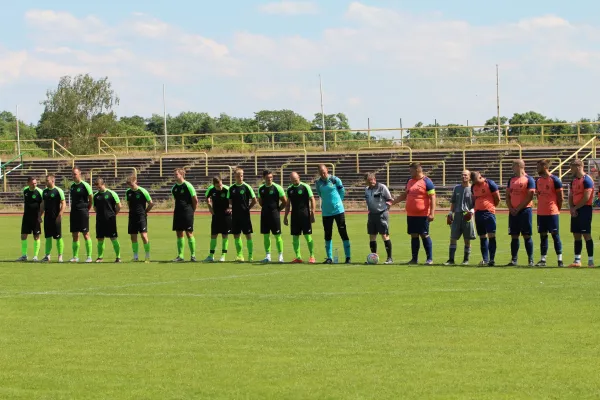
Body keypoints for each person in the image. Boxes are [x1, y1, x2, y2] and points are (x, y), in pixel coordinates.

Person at [391, 163, 436, 265]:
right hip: (411, 214)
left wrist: (432, 213)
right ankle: (414, 259)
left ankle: (429, 259)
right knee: (413, 235)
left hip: (423, 214)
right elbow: (405, 194)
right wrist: (394, 202)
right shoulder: (410, 181)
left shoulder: (427, 181)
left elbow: (432, 197)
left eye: (411, 171)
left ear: (417, 170)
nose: (409, 173)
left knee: (424, 234)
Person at [315, 164, 351, 264]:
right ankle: (329, 257)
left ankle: (348, 257)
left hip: (338, 211)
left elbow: (342, 192)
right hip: (326, 212)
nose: (323, 174)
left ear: (327, 170)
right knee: (327, 234)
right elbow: (320, 194)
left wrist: (338, 202)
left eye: (324, 171)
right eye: (320, 172)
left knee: (343, 232)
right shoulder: (318, 183)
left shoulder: (335, 180)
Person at [506, 160, 536, 266]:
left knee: (526, 235)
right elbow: (507, 196)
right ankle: (514, 259)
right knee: (514, 235)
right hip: (513, 212)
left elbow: (529, 196)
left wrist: (518, 208)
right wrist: (510, 208)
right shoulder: (511, 180)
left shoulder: (529, 179)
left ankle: (530, 259)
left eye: (513, 166)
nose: (512, 168)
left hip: (524, 211)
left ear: (519, 166)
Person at [535, 159, 564, 267]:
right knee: (543, 236)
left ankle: (560, 260)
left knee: (555, 235)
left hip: (552, 213)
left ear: (545, 167)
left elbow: (560, 198)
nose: (537, 169)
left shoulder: (555, 180)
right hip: (541, 213)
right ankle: (543, 260)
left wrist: (556, 209)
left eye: (538, 167)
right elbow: (538, 195)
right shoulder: (538, 181)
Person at [284, 172, 316, 264]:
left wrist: (312, 212)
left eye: (296, 179)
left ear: (299, 177)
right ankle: (298, 257)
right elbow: (287, 204)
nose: (295, 181)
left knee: (307, 236)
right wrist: (285, 216)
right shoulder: (289, 189)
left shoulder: (305, 187)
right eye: (293, 180)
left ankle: (312, 256)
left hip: (305, 215)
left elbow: (312, 199)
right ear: (290, 180)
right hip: (294, 216)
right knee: (295, 237)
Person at [444, 170, 475, 266]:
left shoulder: (473, 189)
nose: (463, 176)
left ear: (470, 177)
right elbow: (453, 201)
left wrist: (472, 211)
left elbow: (476, 202)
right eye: (462, 174)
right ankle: (451, 260)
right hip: (457, 215)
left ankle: (466, 260)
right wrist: (450, 213)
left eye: (465, 175)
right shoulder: (457, 188)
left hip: (467, 215)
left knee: (467, 239)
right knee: (453, 237)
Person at [471, 171, 501, 266]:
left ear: (480, 176)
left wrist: (491, 207)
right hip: (478, 213)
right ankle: (485, 259)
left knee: (491, 235)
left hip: (489, 213)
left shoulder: (490, 183)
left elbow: (497, 198)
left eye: (477, 181)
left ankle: (492, 259)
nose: (476, 183)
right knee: (482, 236)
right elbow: (474, 199)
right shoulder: (473, 187)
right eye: (474, 182)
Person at [568, 159, 594, 268]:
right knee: (576, 234)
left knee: (586, 234)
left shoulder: (587, 180)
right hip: (576, 210)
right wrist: (571, 208)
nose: (571, 170)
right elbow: (571, 195)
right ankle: (577, 260)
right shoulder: (573, 181)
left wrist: (576, 208)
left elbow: (586, 197)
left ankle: (590, 261)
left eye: (572, 167)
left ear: (578, 167)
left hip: (585, 210)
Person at [227, 168, 257, 262]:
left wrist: (248, 208)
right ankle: (240, 255)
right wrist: (233, 207)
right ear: (235, 176)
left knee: (248, 235)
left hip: (245, 216)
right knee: (236, 235)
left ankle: (250, 256)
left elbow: (254, 199)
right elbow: (229, 200)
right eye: (238, 176)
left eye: (241, 175)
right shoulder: (232, 188)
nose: (240, 177)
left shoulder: (247, 187)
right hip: (235, 216)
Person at [258, 170, 287, 263]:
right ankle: (268, 256)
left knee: (277, 236)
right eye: (267, 178)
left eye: (271, 177)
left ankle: (280, 256)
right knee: (266, 236)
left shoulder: (277, 187)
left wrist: (277, 210)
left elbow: (285, 201)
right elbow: (260, 202)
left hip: (275, 215)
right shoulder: (261, 188)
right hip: (264, 215)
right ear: (264, 178)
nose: (269, 179)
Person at [364, 173, 394, 264]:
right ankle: (374, 258)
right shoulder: (366, 190)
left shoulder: (382, 187)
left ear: (375, 179)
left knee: (384, 235)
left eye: (372, 180)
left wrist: (386, 209)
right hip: (371, 215)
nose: (371, 182)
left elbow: (390, 199)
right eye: (369, 181)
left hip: (382, 214)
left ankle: (389, 258)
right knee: (372, 236)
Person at [92, 178, 122, 263]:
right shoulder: (96, 195)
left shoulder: (111, 193)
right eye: (97, 187)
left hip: (110, 220)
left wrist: (114, 214)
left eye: (99, 187)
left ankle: (118, 257)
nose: (98, 188)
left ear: (103, 184)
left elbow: (119, 205)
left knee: (113, 238)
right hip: (100, 220)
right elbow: (94, 207)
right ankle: (100, 257)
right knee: (100, 239)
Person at [171, 168, 198, 262]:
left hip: (188, 212)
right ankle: (180, 256)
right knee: (179, 233)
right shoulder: (174, 188)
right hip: (178, 212)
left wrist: (192, 210)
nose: (174, 176)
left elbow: (195, 199)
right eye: (174, 174)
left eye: (176, 174)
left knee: (189, 232)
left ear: (181, 175)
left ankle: (193, 256)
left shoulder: (188, 185)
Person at [125, 175, 154, 262]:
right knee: (133, 236)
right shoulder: (128, 192)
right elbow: (129, 203)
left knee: (144, 236)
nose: (130, 186)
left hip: (141, 216)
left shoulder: (142, 191)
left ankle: (147, 256)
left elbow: (151, 203)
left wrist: (145, 211)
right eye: (129, 184)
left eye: (131, 184)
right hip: (132, 216)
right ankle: (135, 256)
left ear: (135, 182)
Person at [69, 167, 94, 263]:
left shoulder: (85, 185)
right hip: (74, 212)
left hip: (83, 212)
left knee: (86, 234)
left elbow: (91, 199)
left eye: (75, 174)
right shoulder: (72, 186)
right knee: (75, 235)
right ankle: (75, 257)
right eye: (72, 174)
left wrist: (87, 209)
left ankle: (89, 257)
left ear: (80, 173)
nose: (73, 176)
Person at [204, 175, 231, 262]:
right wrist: (210, 208)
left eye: (220, 184)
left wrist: (230, 208)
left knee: (224, 235)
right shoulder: (211, 189)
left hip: (226, 216)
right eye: (217, 186)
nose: (220, 187)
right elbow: (207, 198)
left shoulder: (227, 189)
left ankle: (223, 255)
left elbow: (233, 200)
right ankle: (211, 255)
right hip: (216, 216)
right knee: (213, 235)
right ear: (214, 185)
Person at [17, 176, 43, 262]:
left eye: (35, 183)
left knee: (36, 236)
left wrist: (40, 216)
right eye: (32, 183)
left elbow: (43, 205)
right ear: (28, 183)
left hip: (36, 217)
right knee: (23, 236)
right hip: (26, 217)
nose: (34, 185)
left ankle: (35, 256)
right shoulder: (25, 190)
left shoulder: (40, 192)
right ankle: (24, 255)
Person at [41, 174, 66, 263]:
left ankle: (60, 256)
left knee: (58, 237)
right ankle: (47, 256)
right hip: (47, 218)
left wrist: (60, 215)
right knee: (48, 237)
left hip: (56, 218)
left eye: (47, 180)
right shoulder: (44, 192)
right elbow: (43, 204)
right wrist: (40, 215)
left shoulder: (58, 191)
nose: (46, 182)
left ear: (52, 181)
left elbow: (64, 203)